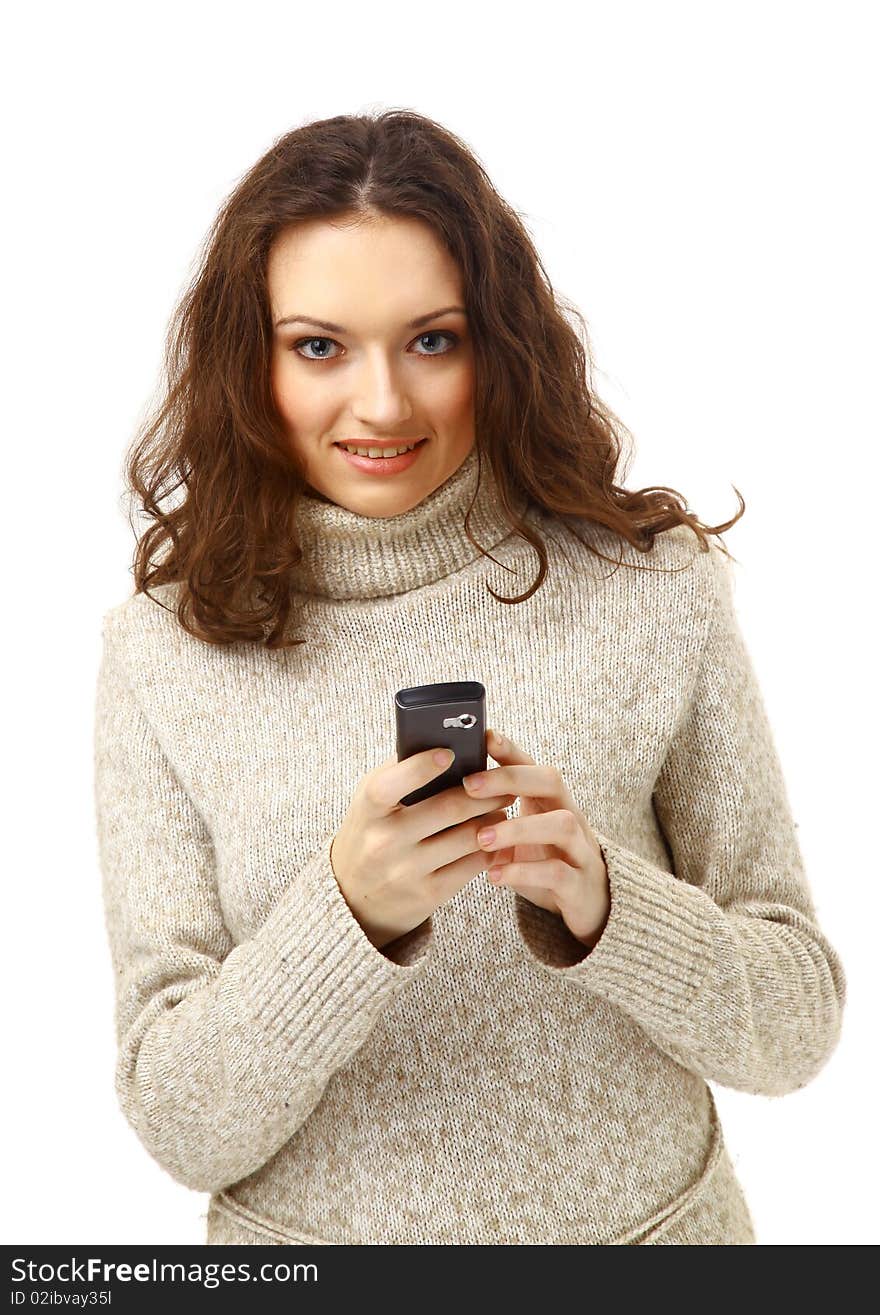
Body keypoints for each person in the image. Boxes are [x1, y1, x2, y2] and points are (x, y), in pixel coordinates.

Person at [93, 109, 846, 1246]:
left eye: (431, 340)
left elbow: (794, 1028)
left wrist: (604, 901)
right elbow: (180, 1122)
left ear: (496, 341)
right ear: (247, 360)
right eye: (318, 345)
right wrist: (346, 916)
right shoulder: (164, 651)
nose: (384, 404)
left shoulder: (652, 588)